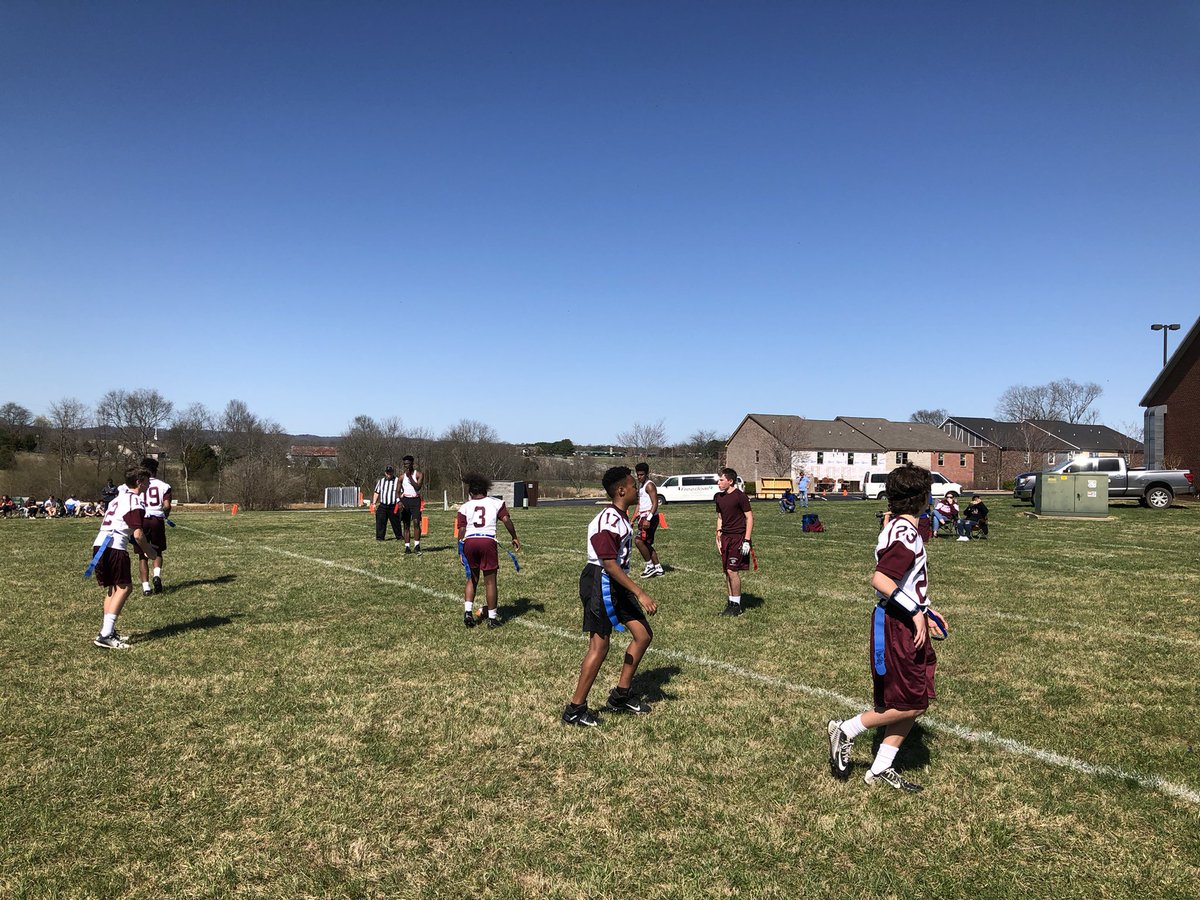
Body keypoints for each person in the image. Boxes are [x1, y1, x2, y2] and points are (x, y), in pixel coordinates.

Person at [827, 463, 938, 792]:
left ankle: (881, 768)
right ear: (922, 497)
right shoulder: (905, 532)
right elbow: (881, 578)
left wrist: (926, 610)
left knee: (915, 699)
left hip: (906, 617)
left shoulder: (899, 525)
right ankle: (846, 729)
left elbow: (903, 581)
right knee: (912, 703)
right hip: (899, 623)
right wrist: (916, 611)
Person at [562, 466, 658, 727]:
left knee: (642, 635)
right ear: (621, 490)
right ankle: (575, 708)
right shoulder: (608, 519)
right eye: (633, 485)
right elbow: (607, 562)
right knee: (600, 645)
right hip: (601, 581)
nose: (638, 489)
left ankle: (621, 695)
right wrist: (639, 592)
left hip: (617, 581)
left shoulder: (621, 516)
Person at [91, 466, 158, 650]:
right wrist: (149, 552)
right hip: (114, 547)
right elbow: (137, 535)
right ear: (139, 482)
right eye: (146, 481)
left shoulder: (117, 499)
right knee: (124, 588)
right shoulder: (134, 500)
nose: (148, 484)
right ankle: (105, 635)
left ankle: (107, 631)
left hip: (100, 544)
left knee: (113, 589)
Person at [456, 473, 520, 629]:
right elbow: (506, 520)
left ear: (470, 493)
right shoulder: (496, 503)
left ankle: (468, 613)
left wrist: (460, 550)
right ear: (486, 491)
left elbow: (462, 530)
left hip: (470, 541)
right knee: (490, 581)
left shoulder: (464, 507)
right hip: (487, 540)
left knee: (472, 578)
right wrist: (514, 536)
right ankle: (492, 619)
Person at [714, 466, 753, 617]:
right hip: (725, 537)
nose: (719, 482)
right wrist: (718, 536)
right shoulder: (718, 497)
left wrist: (747, 540)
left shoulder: (740, 496)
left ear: (730, 481)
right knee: (726, 571)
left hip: (738, 537)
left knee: (732, 571)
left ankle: (737, 605)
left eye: (722, 480)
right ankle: (730, 604)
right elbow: (720, 518)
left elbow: (749, 517)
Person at [138, 457, 172, 595]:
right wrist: (166, 515)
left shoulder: (138, 484)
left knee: (142, 554)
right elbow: (167, 505)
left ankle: (146, 587)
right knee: (157, 551)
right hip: (156, 520)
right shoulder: (164, 485)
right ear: (155, 471)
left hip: (141, 519)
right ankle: (156, 575)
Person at [633, 462, 663, 578]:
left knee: (639, 541)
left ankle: (649, 566)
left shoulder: (650, 485)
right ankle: (658, 568)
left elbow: (655, 503)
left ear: (647, 474)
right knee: (646, 543)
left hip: (650, 518)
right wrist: (633, 518)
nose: (639, 477)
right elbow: (640, 504)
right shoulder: (641, 486)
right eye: (638, 475)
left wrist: (648, 519)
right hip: (643, 517)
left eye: (641, 474)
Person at [399, 455, 423, 554]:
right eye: (405, 464)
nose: (406, 466)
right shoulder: (401, 477)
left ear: (412, 463)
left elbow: (417, 487)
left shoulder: (419, 474)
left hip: (415, 500)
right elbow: (397, 491)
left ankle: (417, 545)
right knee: (406, 524)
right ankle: (407, 547)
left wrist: (410, 477)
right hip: (405, 500)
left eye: (408, 463)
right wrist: (399, 501)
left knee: (416, 522)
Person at [371, 464, 402, 542]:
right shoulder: (381, 481)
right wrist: (374, 503)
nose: (389, 474)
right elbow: (376, 492)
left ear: (393, 472)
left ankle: (399, 536)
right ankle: (380, 537)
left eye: (390, 472)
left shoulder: (397, 481)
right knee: (380, 521)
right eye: (387, 472)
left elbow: (401, 492)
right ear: (385, 473)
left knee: (396, 522)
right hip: (383, 505)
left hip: (393, 505)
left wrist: (400, 502)